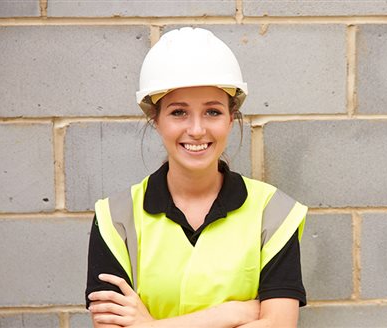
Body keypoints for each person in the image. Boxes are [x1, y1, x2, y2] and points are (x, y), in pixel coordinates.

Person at [85, 27, 307, 328]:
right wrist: (229, 314)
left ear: (231, 118)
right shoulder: (115, 219)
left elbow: (279, 325)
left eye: (212, 112)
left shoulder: (274, 212)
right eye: (178, 112)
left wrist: (150, 326)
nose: (197, 129)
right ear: (156, 120)